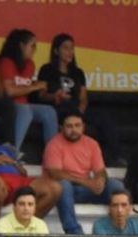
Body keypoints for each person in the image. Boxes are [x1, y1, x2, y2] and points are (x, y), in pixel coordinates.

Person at [36, 34, 120, 165]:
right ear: (56, 51)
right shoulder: (46, 69)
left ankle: (114, 157)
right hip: (57, 108)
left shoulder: (78, 72)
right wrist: (55, 95)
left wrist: (79, 114)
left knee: (104, 117)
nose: (70, 52)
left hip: (76, 109)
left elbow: (83, 98)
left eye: (72, 48)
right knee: (63, 109)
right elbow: (41, 95)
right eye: (66, 48)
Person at [0, 112, 60, 220]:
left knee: (55, 188)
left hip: (18, 179)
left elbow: (23, 172)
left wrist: (13, 162)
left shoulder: (4, 149)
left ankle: (26, 225)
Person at [41, 110, 123, 236]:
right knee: (64, 185)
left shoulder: (92, 144)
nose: (74, 130)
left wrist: (100, 180)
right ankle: (74, 232)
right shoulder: (54, 144)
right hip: (63, 192)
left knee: (115, 185)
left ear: (83, 127)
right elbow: (55, 174)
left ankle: (118, 229)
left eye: (77, 125)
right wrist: (87, 182)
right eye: (69, 126)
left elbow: (100, 170)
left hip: (85, 190)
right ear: (61, 128)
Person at [0, 29, 57, 154]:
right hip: (8, 105)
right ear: (21, 45)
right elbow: (9, 91)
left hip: (24, 104)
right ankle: (12, 153)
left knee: (49, 111)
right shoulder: (6, 62)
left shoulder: (30, 64)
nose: (35, 49)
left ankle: (52, 155)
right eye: (32, 45)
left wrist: (38, 86)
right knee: (25, 111)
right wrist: (35, 87)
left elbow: (24, 86)